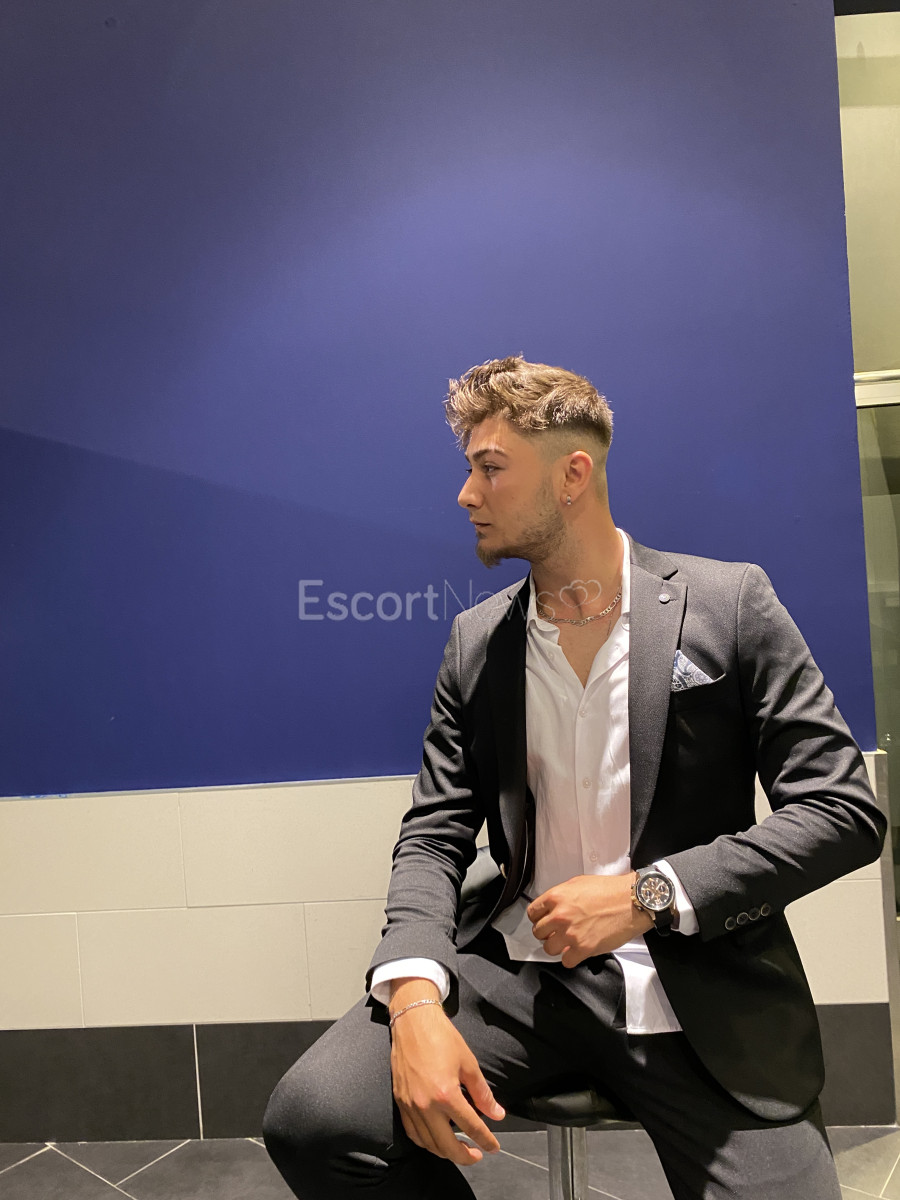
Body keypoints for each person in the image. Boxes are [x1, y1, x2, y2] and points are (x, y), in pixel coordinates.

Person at [264, 356, 885, 1199]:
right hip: (519, 980)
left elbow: (841, 810)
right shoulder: (477, 641)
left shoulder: (729, 603)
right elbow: (434, 835)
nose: (466, 494)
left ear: (572, 475)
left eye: (490, 468)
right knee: (316, 1120)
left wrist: (648, 895)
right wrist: (412, 996)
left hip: (702, 990)